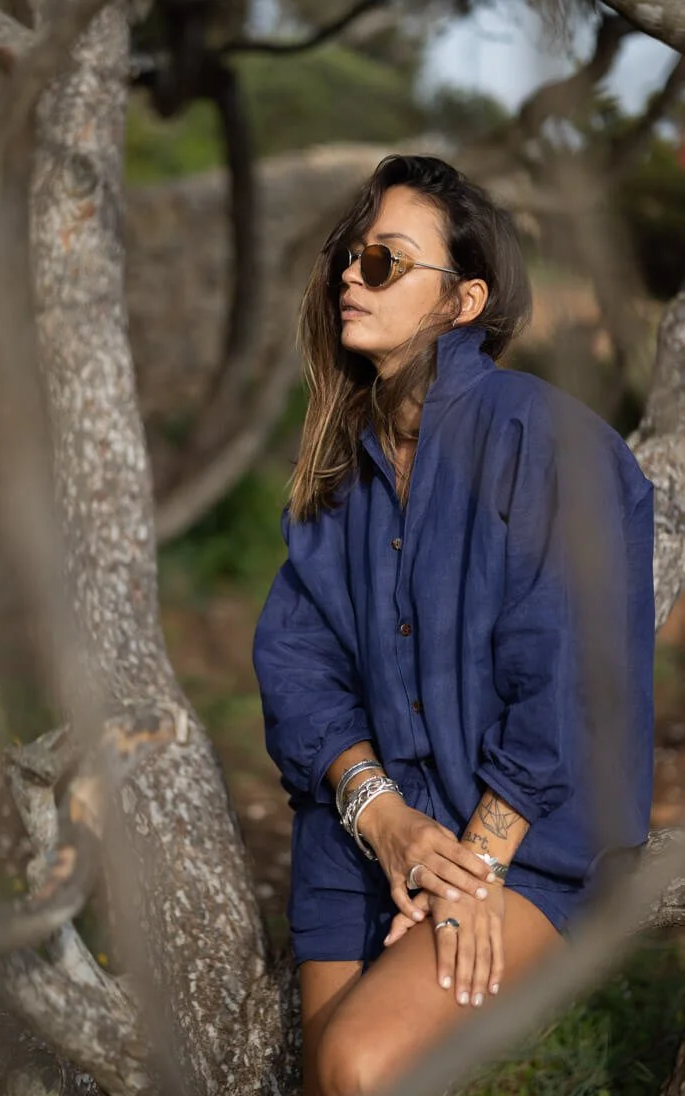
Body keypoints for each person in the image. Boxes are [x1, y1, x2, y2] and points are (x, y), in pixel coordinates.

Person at [252, 154, 654, 1096]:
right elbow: (296, 663)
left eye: (385, 261)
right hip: (361, 839)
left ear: (461, 300)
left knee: (356, 1064)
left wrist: (469, 871)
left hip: (523, 840)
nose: (352, 274)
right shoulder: (337, 468)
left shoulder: (541, 443)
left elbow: (561, 678)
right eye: (350, 256)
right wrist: (379, 814)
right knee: (329, 1074)